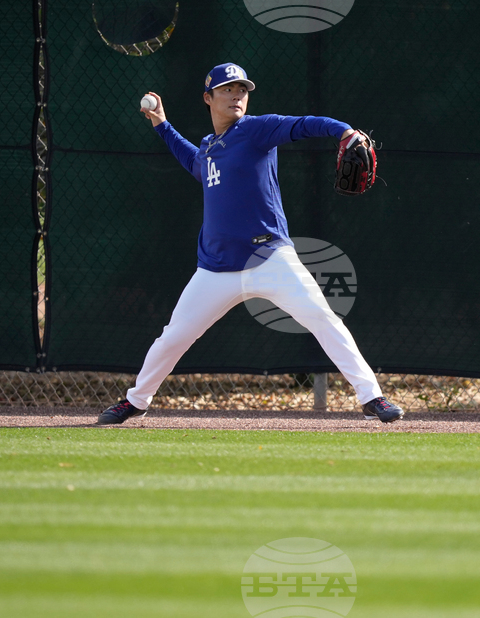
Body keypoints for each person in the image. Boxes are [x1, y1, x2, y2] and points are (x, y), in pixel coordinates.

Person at [97, 63, 403, 425]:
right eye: (227, 89)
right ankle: (135, 401)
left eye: (242, 89)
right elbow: (194, 162)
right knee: (173, 337)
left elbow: (304, 124)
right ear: (208, 98)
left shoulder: (256, 129)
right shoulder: (209, 147)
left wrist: (344, 131)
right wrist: (162, 125)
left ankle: (372, 397)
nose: (237, 95)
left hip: (269, 258)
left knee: (323, 318)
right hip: (216, 268)